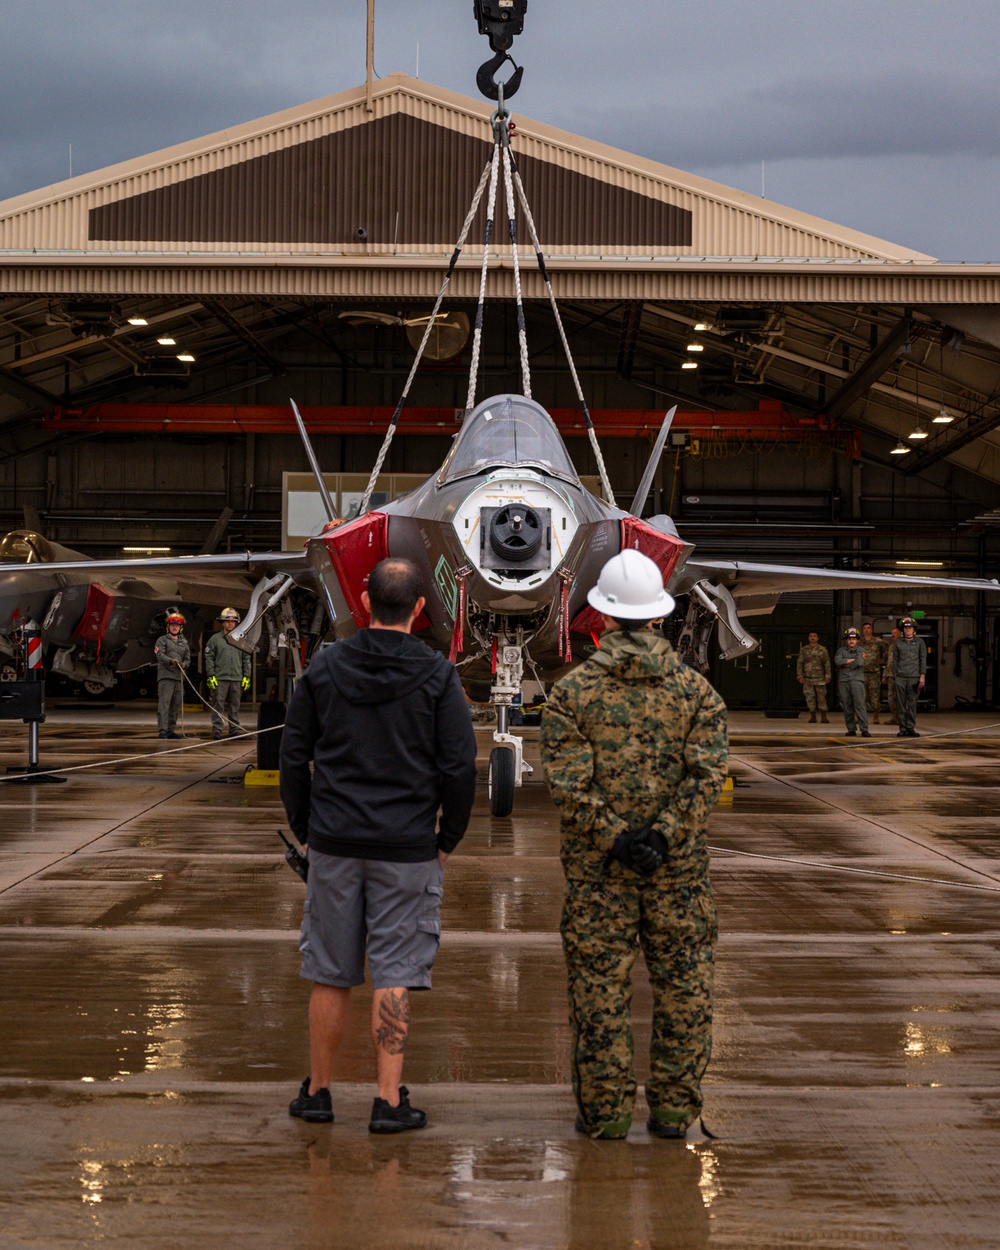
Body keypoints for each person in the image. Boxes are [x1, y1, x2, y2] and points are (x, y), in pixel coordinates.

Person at [279, 557, 477, 1132]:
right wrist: (447, 838)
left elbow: (294, 755)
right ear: (420, 609)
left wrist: (309, 832)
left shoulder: (324, 667)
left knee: (330, 971)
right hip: (407, 848)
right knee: (394, 971)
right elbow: (459, 766)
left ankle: (318, 1092)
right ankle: (388, 1101)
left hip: (335, 843)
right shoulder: (439, 677)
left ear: (366, 602)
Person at [540, 549, 728, 1141]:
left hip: (601, 877)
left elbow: (569, 783)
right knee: (685, 990)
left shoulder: (571, 695)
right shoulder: (699, 695)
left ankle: (606, 1114)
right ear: (657, 617)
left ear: (601, 616)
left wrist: (616, 840)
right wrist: (664, 837)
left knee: (599, 996)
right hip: (678, 875)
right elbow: (707, 779)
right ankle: (674, 1113)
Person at [204, 607, 252, 739]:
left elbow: (246, 658)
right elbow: (209, 658)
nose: (230, 624)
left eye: (233, 621)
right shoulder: (215, 640)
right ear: (222, 623)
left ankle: (234, 730)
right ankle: (217, 730)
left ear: (236, 623)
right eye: (227, 621)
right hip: (220, 678)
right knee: (218, 705)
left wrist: (247, 676)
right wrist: (211, 675)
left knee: (234, 705)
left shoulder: (241, 640)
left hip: (237, 678)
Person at [154, 610, 191, 739]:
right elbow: (159, 655)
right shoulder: (162, 640)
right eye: (172, 625)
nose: (174, 627)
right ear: (168, 626)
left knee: (176, 705)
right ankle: (163, 730)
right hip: (166, 677)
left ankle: (170, 729)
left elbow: (188, 659)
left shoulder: (184, 642)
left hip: (179, 678)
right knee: (164, 704)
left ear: (181, 627)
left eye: (177, 625)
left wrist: (184, 664)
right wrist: (171, 660)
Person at [888, 617, 926, 738]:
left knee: (912, 704)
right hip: (900, 677)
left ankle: (910, 727)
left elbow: (922, 660)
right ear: (903, 630)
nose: (908, 630)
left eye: (910, 627)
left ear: (914, 629)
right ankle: (902, 728)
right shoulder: (898, 642)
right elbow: (895, 660)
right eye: (906, 628)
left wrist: (922, 676)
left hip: (914, 677)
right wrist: (894, 675)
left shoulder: (920, 642)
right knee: (900, 704)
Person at [834, 627, 870, 737]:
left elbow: (860, 662)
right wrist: (849, 661)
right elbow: (837, 661)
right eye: (849, 639)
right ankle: (851, 729)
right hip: (844, 681)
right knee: (847, 706)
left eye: (854, 639)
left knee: (860, 705)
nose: (851, 641)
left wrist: (845, 663)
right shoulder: (841, 650)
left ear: (857, 640)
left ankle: (864, 729)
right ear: (846, 640)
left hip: (856, 681)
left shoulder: (861, 650)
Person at [796, 630, 831, 723]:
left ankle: (823, 715)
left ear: (817, 638)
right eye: (811, 636)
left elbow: (827, 663)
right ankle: (813, 715)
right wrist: (800, 676)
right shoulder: (804, 650)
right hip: (807, 678)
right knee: (809, 697)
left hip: (820, 677)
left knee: (821, 696)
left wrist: (828, 676)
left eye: (814, 636)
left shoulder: (822, 650)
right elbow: (800, 663)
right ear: (808, 638)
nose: (812, 638)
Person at [860, 622, 887, 724]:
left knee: (874, 695)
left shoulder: (878, 642)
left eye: (868, 628)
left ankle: (876, 716)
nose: (866, 630)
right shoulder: (859, 643)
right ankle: (862, 717)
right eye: (865, 628)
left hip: (874, 673)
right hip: (862, 672)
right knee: (862, 696)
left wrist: (883, 660)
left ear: (871, 630)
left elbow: (887, 650)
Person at [884, 626, 902, 724]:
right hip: (890, 676)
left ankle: (902, 718)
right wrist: (885, 675)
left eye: (895, 633)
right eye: (892, 633)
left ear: (900, 634)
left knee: (900, 697)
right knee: (891, 697)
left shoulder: (903, 645)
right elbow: (888, 661)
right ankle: (894, 717)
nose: (892, 635)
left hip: (899, 676)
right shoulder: (891, 646)